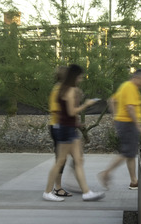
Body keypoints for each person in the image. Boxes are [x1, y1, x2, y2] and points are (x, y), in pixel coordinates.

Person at [44, 63, 103, 202]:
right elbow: (71, 112)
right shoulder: (68, 90)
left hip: (69, 128)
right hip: (65, 129)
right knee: (60, 162)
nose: (81, 79)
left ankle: (86, 192)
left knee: (78, 160)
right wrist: (86, 105)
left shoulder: (65, 89)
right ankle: (48, 191)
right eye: (80, 76)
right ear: (74, 76)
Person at [101, 68, 141, 192]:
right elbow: (130, 108)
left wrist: (115, 116)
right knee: (127, 153)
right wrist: (138, 126)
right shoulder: (130, 87)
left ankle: (134, 181)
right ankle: (106, 173)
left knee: (130, 153)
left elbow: (111, 100)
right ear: (136, 78)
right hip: (128, 124)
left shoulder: (124, 86)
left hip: (123, 123)